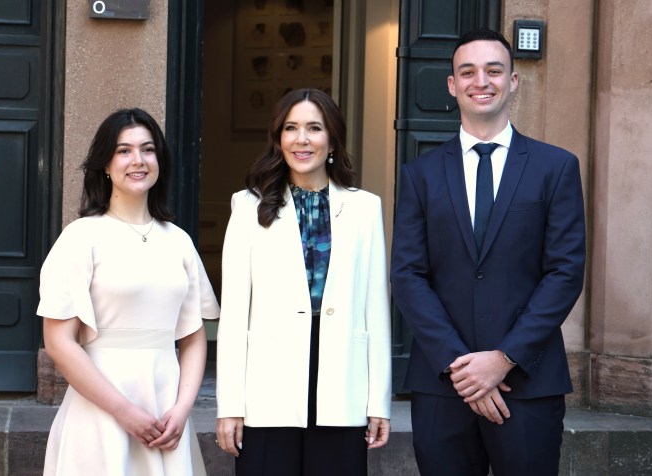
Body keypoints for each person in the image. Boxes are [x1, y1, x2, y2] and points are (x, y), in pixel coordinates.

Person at [390, 28, 586, 476]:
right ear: (452, 84)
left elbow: (565, 272)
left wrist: (503, 359)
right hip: (443, 384)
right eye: (468, 72)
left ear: (513, 80)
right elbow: (408, 275)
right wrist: (461, 367)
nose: (481, 81)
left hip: (527, 382)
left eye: (493, 70)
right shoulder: (420, 174)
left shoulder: (555, 167)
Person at [215, 88, 392, 475]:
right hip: (268, 388)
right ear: (278, 138)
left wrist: (379, 401)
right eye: (291, 128)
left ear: (332, 139)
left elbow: (376, 308)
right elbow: (234, 315)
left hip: (342, 381)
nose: (302, 139)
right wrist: (230, 406)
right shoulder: (247, 206)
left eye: (314, 128)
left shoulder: (365, 208)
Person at [39, 108, 220, 475]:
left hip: (166, 410)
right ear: (106, 165)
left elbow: (192, 337)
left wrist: (182, 409)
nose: (138, 160)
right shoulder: (81, 237)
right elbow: (58, 342)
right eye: (124, 151)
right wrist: (123, 411)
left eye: (147, 149)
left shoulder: (179, 241)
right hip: (100, 409)